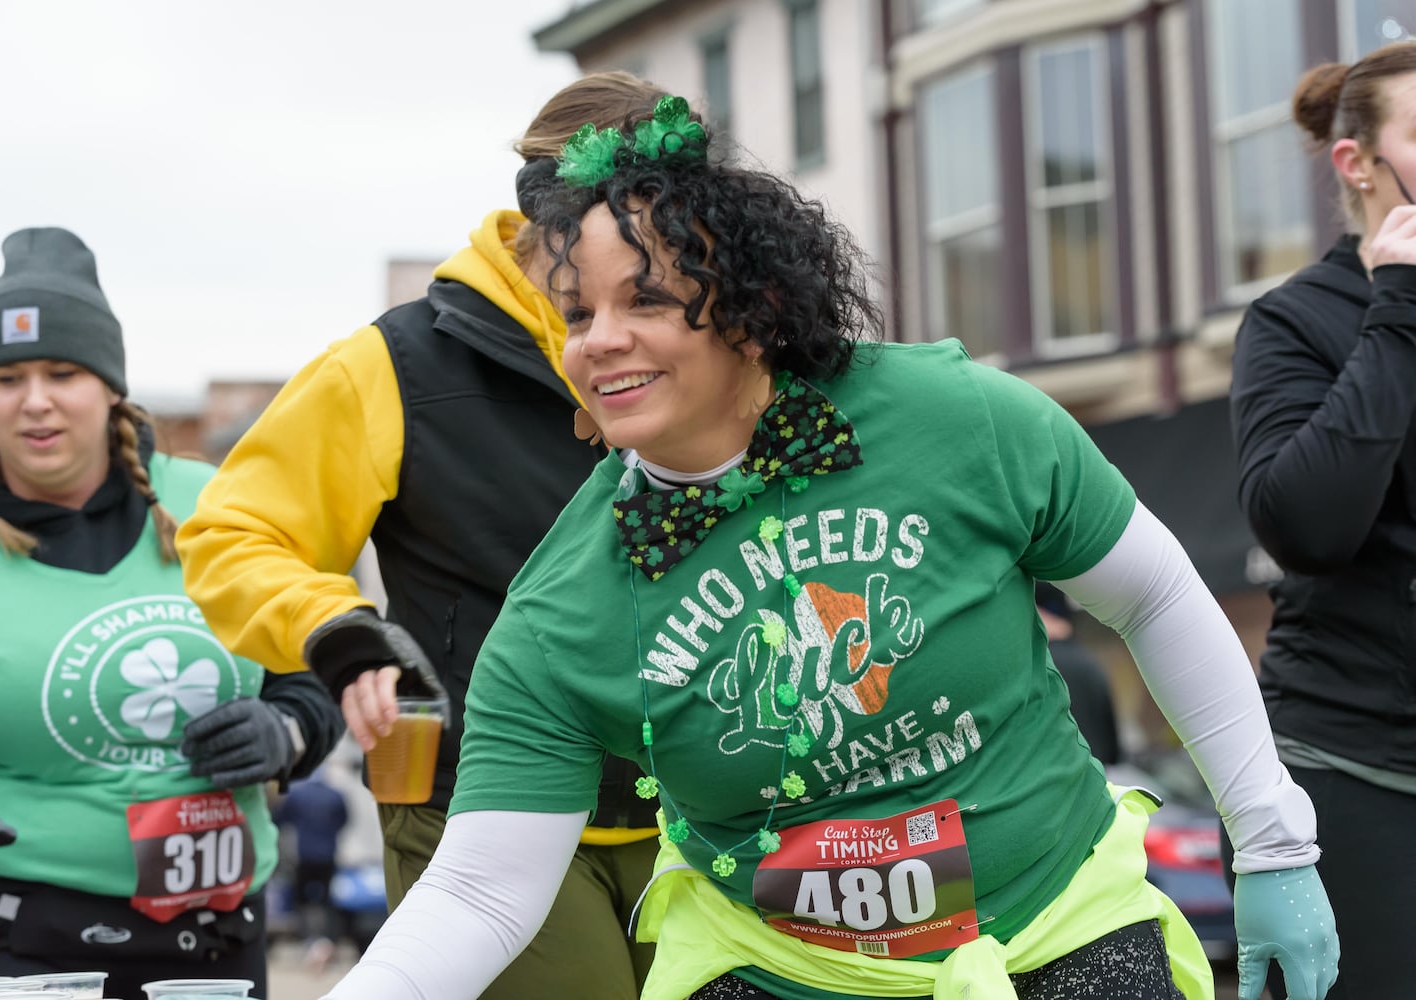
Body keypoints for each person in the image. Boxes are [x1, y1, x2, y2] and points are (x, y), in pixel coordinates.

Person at [320, 98, 1339, 1000]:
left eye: (648, 301)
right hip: (780, 969)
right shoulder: (563, 606)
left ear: (753, 312)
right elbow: (481, 889)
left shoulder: (958, 418)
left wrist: (1274, 843)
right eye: (580, 313)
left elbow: (1152, 594)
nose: (598, 340)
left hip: (1056, 925)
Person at [176, 73, 680, 999]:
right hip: (475, 809)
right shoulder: (392, 366)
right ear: (552, 215)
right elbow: (235, 530)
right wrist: (339, 632)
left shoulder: (712, 347)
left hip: (703, 819)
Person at [0, 227, 344, 999]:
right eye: (7, 377)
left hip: (209, 938)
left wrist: (282, 731)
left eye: (63, 371)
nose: (36, 400)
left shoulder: (219, 505)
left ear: (110, 384)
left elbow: (316, 676)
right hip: (3, 939)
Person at [1227, 41, 1416, 1000]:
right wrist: (1400, 311)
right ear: (1360, 164)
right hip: (1355, 771)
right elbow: (1308, 524)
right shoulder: (1296, 322)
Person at [1035, 583, 1120, 766]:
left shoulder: (1035, 664)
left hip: (1053, 783)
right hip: (1099, 781)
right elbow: (1114, 749)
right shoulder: (1090, 663)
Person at [273, 766, 350, 965]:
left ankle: (308, 941)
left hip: (304, 855)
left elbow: (281, 819)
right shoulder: (335, 795)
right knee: (328, 900)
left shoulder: (298, 795)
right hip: (328, 854)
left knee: (302, 900)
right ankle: (330, 941)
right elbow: (344, 820)